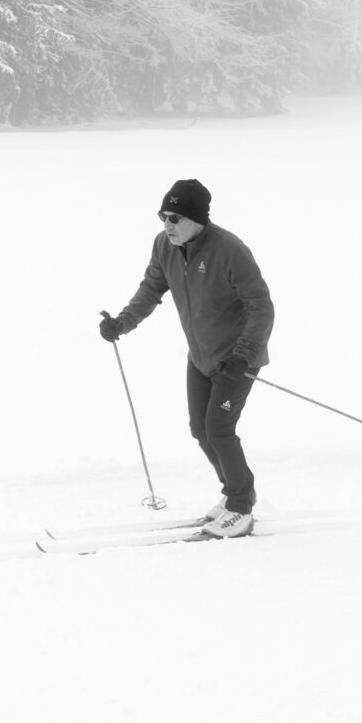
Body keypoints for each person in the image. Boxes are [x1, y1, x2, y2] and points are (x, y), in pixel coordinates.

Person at [96, 179, 273, 538]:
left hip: (236, 361)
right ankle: (235, 492)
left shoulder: (230, 250)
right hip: (201, 356)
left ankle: (241, 508)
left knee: (219, 431)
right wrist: (122, 323)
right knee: (200, 429)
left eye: (175, 217)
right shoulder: (165, 246)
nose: (167, 224)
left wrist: (244, 356)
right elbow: (151, 288)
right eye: (163, 216)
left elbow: (261, 306)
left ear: (197, 218)